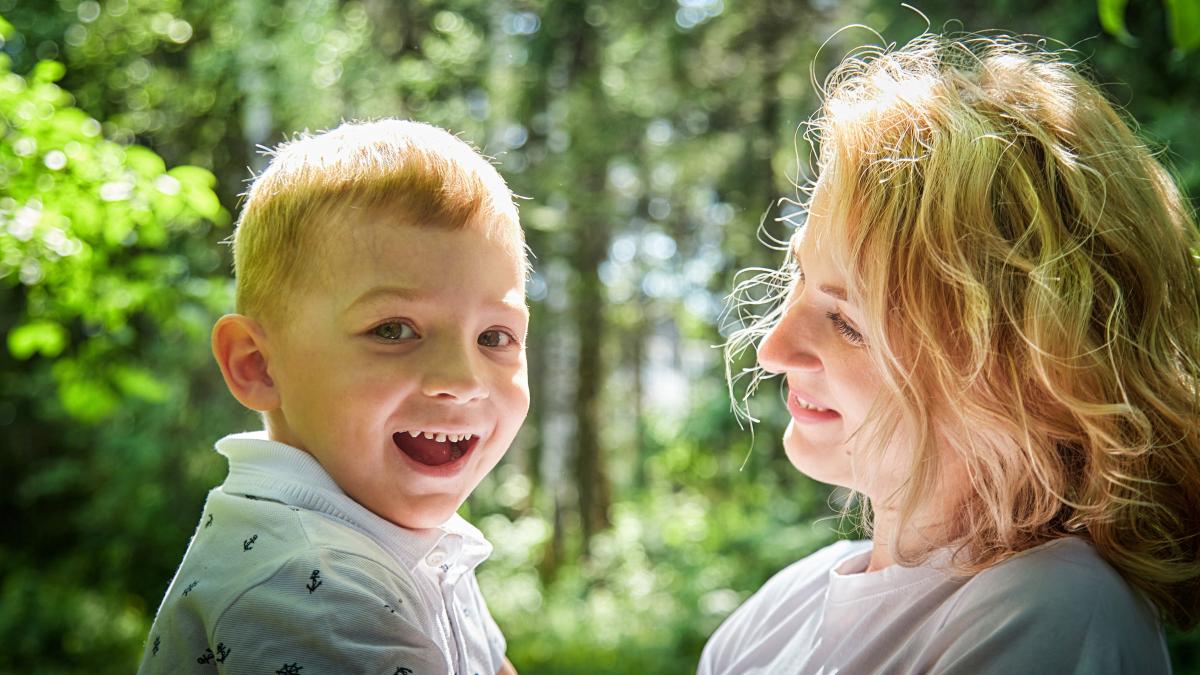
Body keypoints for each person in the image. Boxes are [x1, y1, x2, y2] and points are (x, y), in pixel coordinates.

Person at [700, 31, 1200, 674]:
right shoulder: (782, 608)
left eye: (848, 323)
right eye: (796, 280)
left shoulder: (1051, 610)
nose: (772, 348)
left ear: (1032, 371)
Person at [138, 120, 528, 675]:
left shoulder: (411, 540)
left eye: (495, 337)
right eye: (394, 330)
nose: (462, 380)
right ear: (257, 365)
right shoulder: (308, 584)